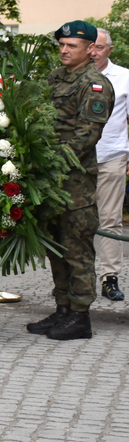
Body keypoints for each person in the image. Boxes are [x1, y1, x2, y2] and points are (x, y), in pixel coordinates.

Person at [27, 20, 114, 341]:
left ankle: (80, 317)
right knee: (55, 245)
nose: (64, 50)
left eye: (71, 45)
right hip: (48, 180)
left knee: (76, 248)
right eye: (61, 44)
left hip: (75, 180)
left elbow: (87, 135)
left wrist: (48, 160)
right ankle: (63, 309)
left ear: (91, 49)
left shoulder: (94, 85)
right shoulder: (55, 78)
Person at [88, 28, 128, 302]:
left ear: (109, 50)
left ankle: (110, 277)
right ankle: (79, 278)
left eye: (99, 48)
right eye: (90, 47)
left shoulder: (125, 77)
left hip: (112, 156)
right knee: (77, 220)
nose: (94, 52)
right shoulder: (73, 76)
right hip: (76, 161)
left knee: (110, 219)